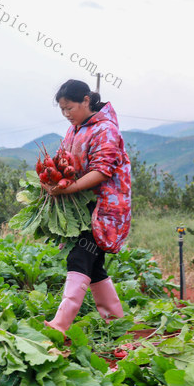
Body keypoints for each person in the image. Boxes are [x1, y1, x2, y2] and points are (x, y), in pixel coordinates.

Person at [44, 80, 132, 333]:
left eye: (70, 107)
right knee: (93, 266)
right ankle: (116, 323)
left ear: (86, 100)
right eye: (62, 110)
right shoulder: (74, 130)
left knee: (79, 258)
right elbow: (62, 161)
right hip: (80, 208)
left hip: (102, 208)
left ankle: (60, 324)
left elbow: (103, 171)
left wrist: (68, 188)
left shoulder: (106, 130)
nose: (66, 114)